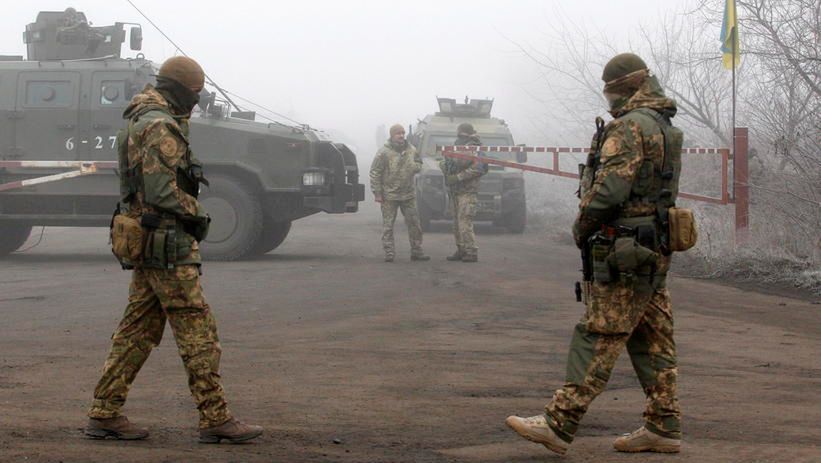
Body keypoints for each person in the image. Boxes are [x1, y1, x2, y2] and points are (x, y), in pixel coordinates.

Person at [506, 53, 684, 455]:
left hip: (624, 247)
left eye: (611, 91)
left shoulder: (629, 126)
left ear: (624, 88)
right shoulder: (662, 124)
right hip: (654, 244)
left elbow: (610, 190)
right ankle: (664, 424)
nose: (609, 99)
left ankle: (559, 421)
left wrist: (582, 225)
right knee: (653, 336)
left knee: (599, 332)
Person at [84, 56, 263, 444]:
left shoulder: (140, 118)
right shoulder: (160, 124)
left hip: (148, 239)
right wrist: (199, 213)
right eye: (195, 93)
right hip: (167, 243)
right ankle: (215, 418)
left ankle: (105, 411)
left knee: (137, 330)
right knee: (197, 330)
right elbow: (161, 191)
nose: (197, 101)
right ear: (180, 90)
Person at [369, 124, 429, 262]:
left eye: (403, 133)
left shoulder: (411, 149)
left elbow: (419, 163)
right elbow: (375, 172)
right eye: (398, 133)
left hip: (408, 194)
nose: (401, 135)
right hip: (389, 195)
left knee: (414, 224)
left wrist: (414, 167)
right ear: (392, 135)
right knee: (388, 226)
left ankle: (417, 251)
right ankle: (389, 252)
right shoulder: (384, 152)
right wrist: (377, 193)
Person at [440, 123, 487, 262]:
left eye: (460, 132)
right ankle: (461, 249)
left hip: (468, 191)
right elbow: (450, 162)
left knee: (464, 222)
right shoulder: (458, 145)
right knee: (456, 223)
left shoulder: (475, 147)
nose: (459, 135)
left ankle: (471, 251)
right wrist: (445, 166)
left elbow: (478, 168)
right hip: (455, 191)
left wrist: (458, 177)